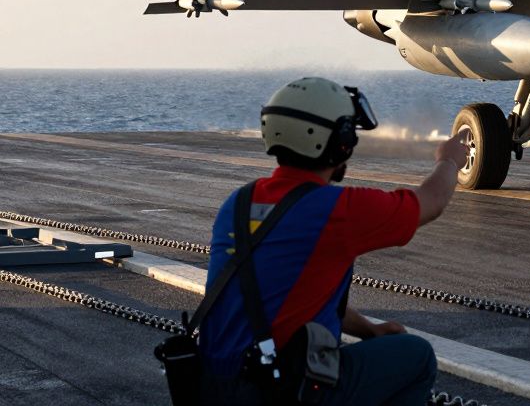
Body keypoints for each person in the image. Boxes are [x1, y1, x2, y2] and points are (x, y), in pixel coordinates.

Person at [196, 77, 464, 405]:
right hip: (280, 390)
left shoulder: (237, 203)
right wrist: (450, 160)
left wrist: (369, 330)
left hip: (214, 388)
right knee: (416, 355)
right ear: (338, 143)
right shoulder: (335, 209)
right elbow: (431, 201)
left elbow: (296, 294)